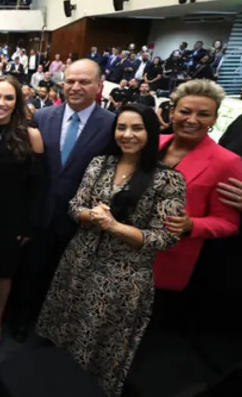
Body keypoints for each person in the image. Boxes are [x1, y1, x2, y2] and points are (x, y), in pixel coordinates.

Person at [38, 104, 186, 396]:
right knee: (64, 330)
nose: (127, 135)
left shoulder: (168, 179)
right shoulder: (100, 163)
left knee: (96, 346)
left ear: (151, 132)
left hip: (121, 278)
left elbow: (166, 238)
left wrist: (113, 225)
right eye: (121, 127)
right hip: (78, 262)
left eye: (136, 128)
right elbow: (74, 206)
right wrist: (90, 216)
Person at [14, 59, 116, 342]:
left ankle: (56, 328)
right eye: (70, 81)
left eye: (84, 81)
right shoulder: (43, 117)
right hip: (40, 216)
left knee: (68, 280)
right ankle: (22, 320)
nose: (75, 87)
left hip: (81, 222)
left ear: (99, 85)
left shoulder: (112, 125)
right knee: (30, 274)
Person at [152, 79, 242, 330]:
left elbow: (229, 222)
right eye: (185, 111)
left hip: (168, 259)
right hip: (128, 249)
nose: (192, 119)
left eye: (203, 114)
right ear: (172, 113)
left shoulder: (227, 162)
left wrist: (191, 224)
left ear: (214, 119)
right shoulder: (153, 143)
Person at [0, 76, 44, 352]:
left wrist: (28, 224)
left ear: (17, 102)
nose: (0, 103)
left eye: (8, 98)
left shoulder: (30, 134)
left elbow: (38, 184)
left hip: (11, 216)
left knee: (3, 271)